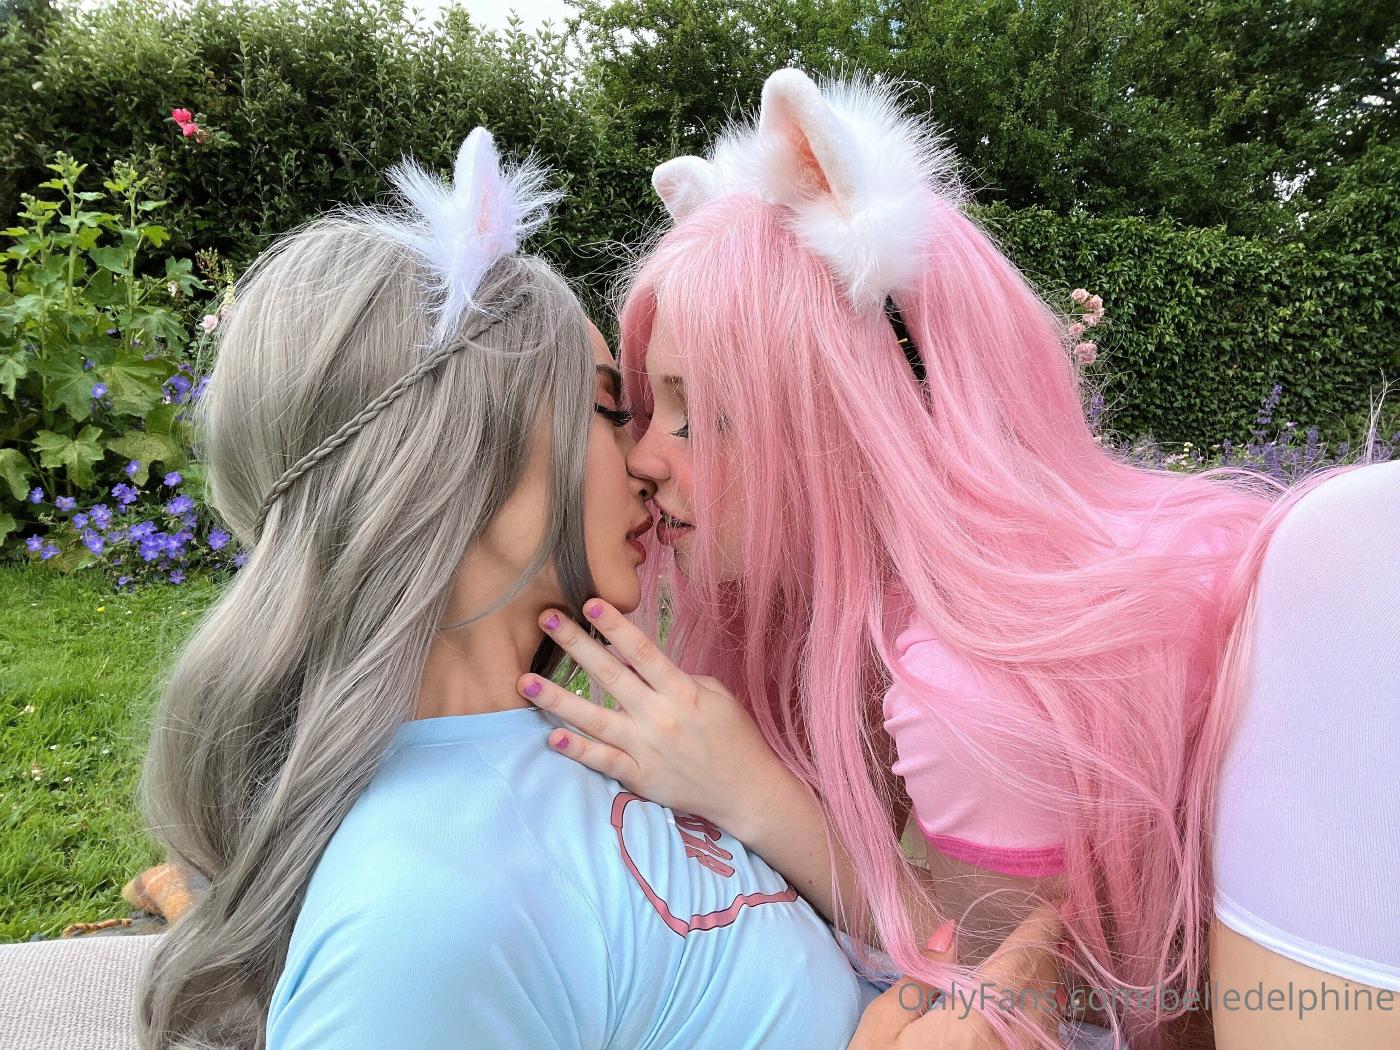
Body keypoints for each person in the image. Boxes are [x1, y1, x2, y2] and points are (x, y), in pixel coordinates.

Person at [515, 68, 1400, 1048]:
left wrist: (751, 793)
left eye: (702, 414)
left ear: (856, 420)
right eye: (648, 407)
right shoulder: (1034, 591)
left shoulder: (970, 686)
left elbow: (1021, 986)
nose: (643, 458)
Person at [132, 126, 1064, 1050]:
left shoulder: (575, 745)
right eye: (613, 405)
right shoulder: (421, 914)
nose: (645, 457)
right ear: (460, 461)